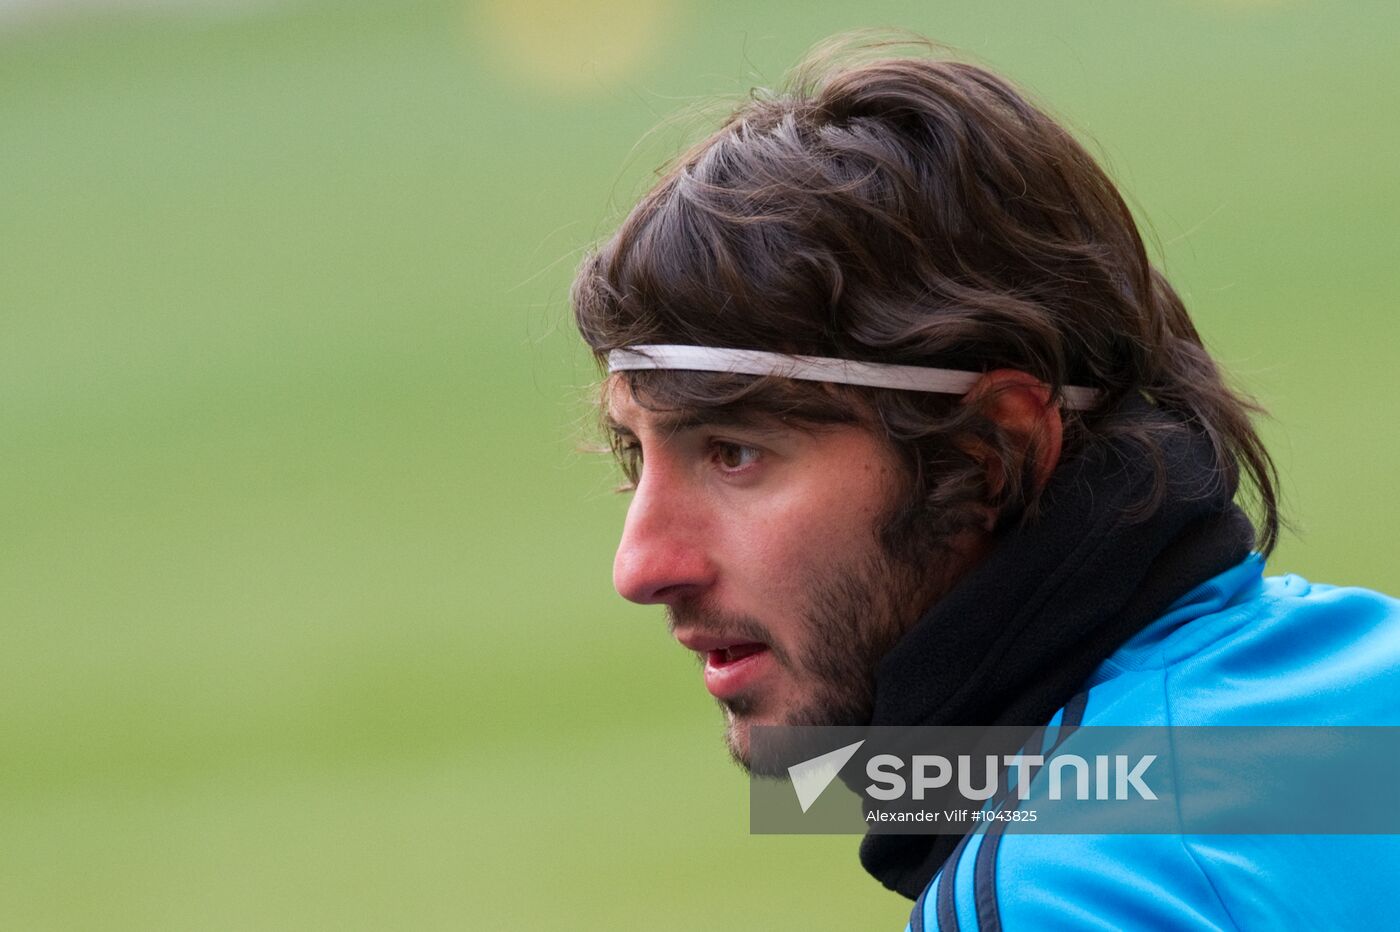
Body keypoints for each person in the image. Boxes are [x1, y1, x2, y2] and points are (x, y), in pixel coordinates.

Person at [570, 37, 1400, 930]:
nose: (641, 565)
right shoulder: (1368, 678)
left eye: (734, 452)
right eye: (634, 455)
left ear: (986, 451)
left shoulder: (1055, 893)